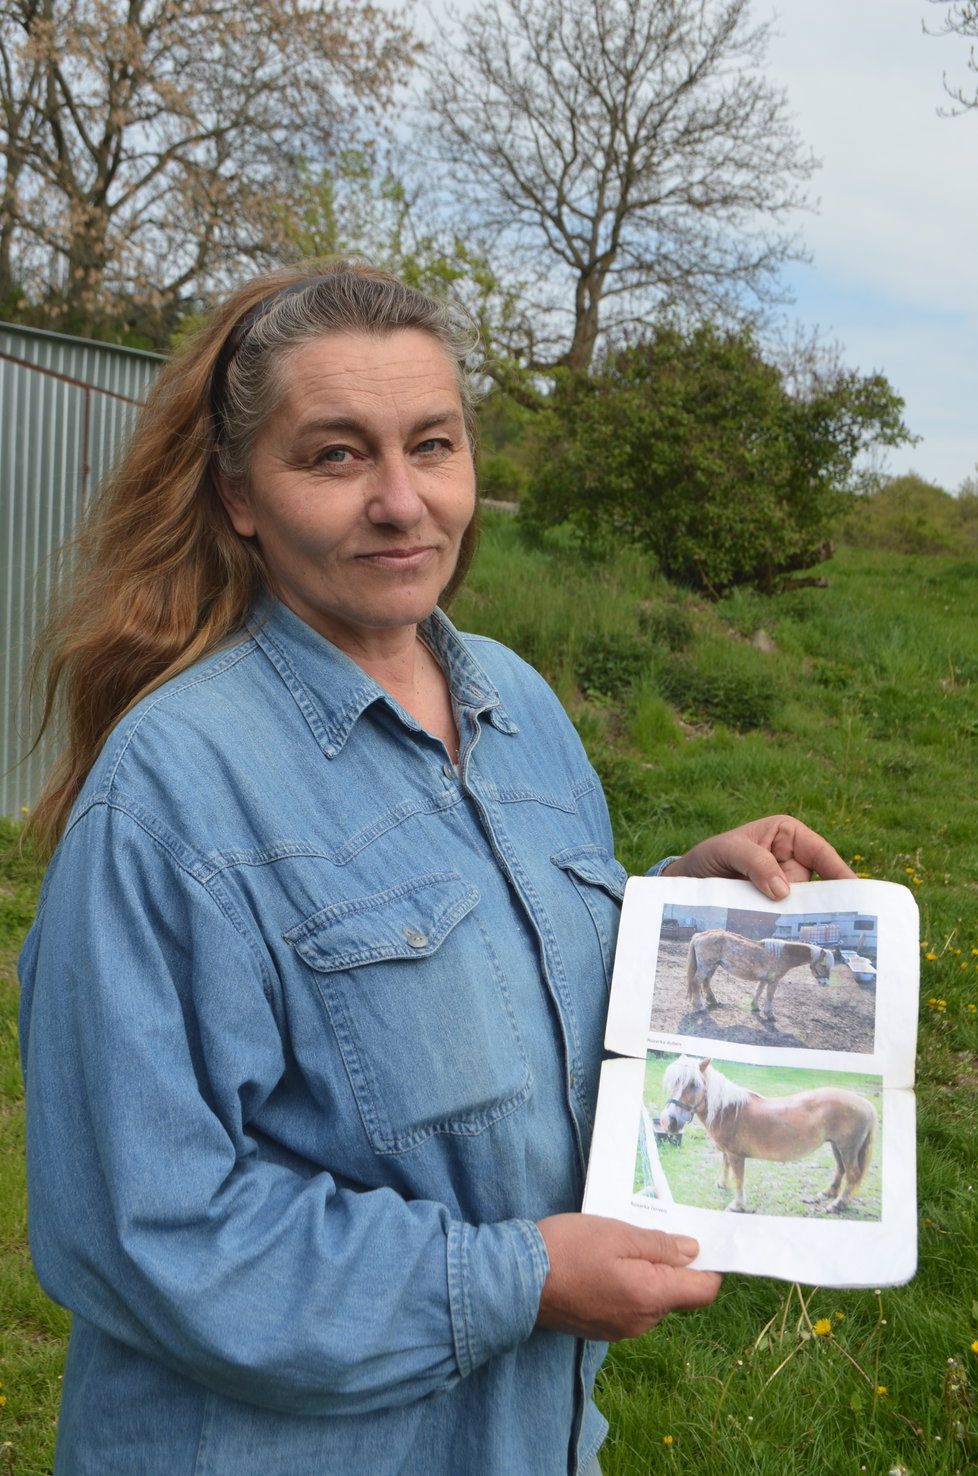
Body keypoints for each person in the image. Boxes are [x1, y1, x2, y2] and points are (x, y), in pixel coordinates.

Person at [18, 260, 853, 1475]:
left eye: (434, 445)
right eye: (336, 455)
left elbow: (503, 984)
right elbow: (147, 1231)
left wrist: (679, 904)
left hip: (524, 1439)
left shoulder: (515, 702)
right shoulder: (171, 796)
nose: (404, 503)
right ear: (240, 497)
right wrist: (519, 1281)